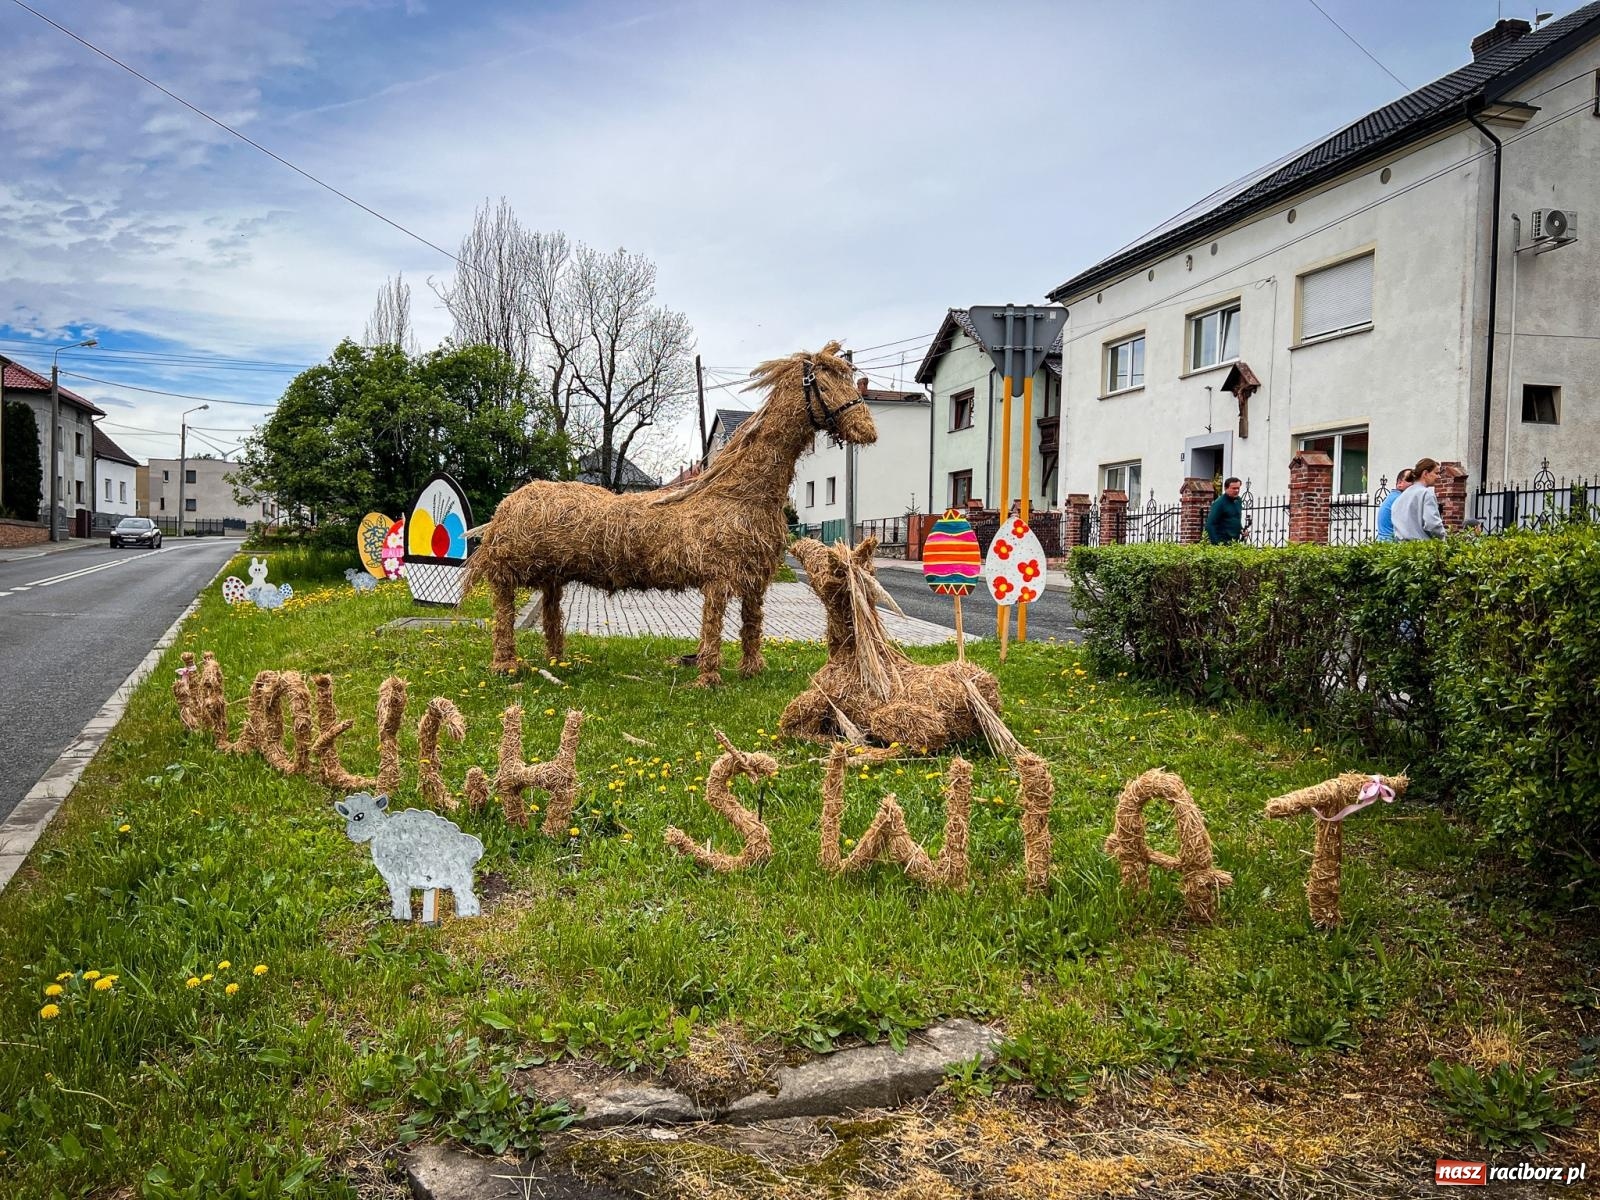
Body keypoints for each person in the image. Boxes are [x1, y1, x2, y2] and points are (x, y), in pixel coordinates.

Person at [1391, 458, 1445, 541]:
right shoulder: (1426, 493)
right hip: (1422, 548)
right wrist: (1443, 539)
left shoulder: (1401, 496)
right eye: (1436, 473)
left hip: (1401, 548)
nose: (1439, 476)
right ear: (1425, 473)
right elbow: (1432, 524)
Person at [1374, 467, 1416, 542]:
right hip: (1391, 544)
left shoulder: (1393, 497)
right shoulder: (1400, 499)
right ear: (1399, 483)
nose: (1414, 484)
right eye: (1411, 480)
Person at [1206, 477, 1246, 544]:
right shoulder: (1219, 503)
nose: (1236, 490)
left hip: (1234, 542)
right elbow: (1210, 524)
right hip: (1222, 542)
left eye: (1238, 488)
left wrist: (1241, 530)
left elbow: (1235, 518)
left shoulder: (1238, 501)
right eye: (1234, 488)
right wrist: (1217, 544)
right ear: (1226, 488)